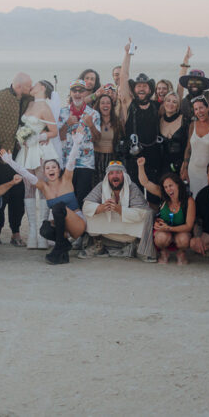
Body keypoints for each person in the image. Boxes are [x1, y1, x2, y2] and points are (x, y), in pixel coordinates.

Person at [0, 127, 90, 265]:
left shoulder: (66, 179)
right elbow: (26, 174)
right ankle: (63, 247)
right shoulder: (44, 186)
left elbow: (71, 161)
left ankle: (58, 249)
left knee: (58, 207)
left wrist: (76, 143)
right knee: (45, 229)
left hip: (77, 223)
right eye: (47, 168)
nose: (51, 169)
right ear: (45, 172)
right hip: (63, 229)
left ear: (59, 170)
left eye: (54, 167)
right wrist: (10, 161)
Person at [0, 73, 33, 244]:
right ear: (19, 86)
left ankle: (16, 232)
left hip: (19, 157)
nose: (30, 89)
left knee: (18, 196)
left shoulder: (28, 98)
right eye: (28, 86)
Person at [14, 79, 58, 249]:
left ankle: (42, 231)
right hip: (25, 152)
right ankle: (32, 231)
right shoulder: (30, 103)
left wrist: (37, 138)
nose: (31, 86)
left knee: (42, 188)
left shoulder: (45, 107)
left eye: (36, 84)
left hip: (39, 151)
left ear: (42, 88)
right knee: (28, 188)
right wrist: (22, 137)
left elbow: (53, 131)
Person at [79, 160, 150, 259]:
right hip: (109, 225)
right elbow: (86, 206)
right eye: (111, 173)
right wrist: (101, 208)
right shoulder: (101, 186)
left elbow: (141, 212)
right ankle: (98, 244)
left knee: (145, 218)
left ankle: (138, 246)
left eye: (118, 172)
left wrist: (119, 210)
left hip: (129, 230)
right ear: (107, 176)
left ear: (124, 175)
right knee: (90, 214)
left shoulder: (132, 187)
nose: (115, 176)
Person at [116, 40, 163, 184]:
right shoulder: (129, 104)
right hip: (133, 156)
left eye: (145, 86)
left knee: (154, 193)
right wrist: (128, 54)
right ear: (134, 89)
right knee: (134, 193)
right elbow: (123, 77)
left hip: (154, 156)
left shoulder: (157, 106)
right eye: (138, 86)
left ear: (150, 89)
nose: (141, 88)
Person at [136, 158, 195, 265]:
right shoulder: (163, 195)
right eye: (166, 187)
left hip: (181, 231)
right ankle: (164, 252)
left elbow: (189, 226)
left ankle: (181, 253)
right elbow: (145, 182)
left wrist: (169, 228)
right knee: (160, 238)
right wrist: (141, 166)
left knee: (184, 240)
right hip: (164, 231)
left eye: (171, 185)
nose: (168, 189)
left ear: (178, 185)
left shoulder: (188, 201)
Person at [56, 79, 101, 206]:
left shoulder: (93, 113)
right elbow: (59, 137)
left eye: (80, 91)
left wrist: (91, 125)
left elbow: (97, 139)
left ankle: (82, 225)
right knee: (66, 199)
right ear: (70, 93)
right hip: (66, 163)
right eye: (74, 91)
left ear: (85, 93)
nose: (77, 94)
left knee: (82, 200)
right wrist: (67, 124)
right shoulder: (62, 112)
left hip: (85, 164)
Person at [180, 97, 209, 198]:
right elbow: (188, 148)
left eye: (201, 108)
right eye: (196, 109)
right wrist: (185, 168)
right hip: (193, 171)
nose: (199, 112)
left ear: (208, 108)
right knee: (194, 200)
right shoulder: (192, 125)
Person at [93, 92, 121, 185]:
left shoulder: (117, 122)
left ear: (111, 106)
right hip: (96, 157)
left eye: (108, 103)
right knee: (96, 186)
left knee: (110, 185)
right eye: (102, 103)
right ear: (98, 105)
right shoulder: (94, 120)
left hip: (111, 158)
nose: (105, 105)